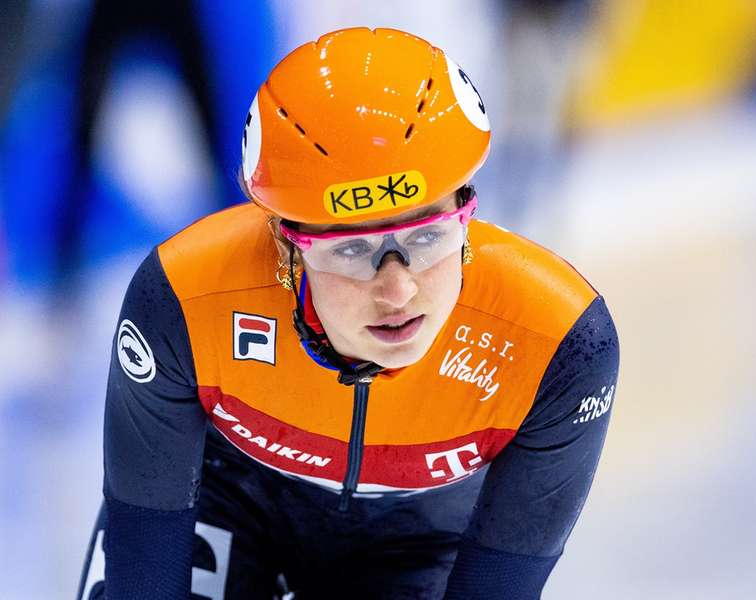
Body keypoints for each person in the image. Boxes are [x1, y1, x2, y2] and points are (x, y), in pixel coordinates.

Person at [77, 27, 619, 600]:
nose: (397, 290)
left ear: (467, 216)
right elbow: (144, 573)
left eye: (427, 236)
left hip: (421, 541)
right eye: (352, 250)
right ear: (286, 248)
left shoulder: (552, 339)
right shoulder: (188, 298)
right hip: (230, 499)